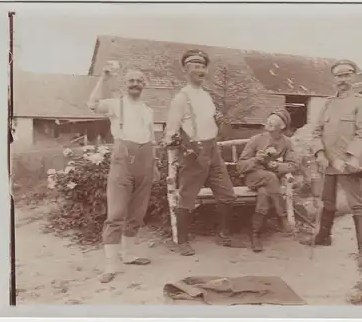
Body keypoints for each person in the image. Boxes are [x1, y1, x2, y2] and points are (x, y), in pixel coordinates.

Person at [162, 49, 241, 256]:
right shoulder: (181, 98)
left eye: (203, 66)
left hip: (213, 149)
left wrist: (220, 122)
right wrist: (186, 151)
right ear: (186, 71)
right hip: (193, 151)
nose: (200, 70)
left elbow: (214, 122)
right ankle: (182, 241)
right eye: (195, 66)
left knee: (227, 194)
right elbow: (171, 131)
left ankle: (223, 234)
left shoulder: (207, 96)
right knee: (187, 197)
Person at [88, 62, 160, 283]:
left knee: (137, 213)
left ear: (144, 85)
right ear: (124, 85)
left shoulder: (148, 110)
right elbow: (92, 104)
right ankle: (110, 265)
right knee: (116, 213)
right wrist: (104, 77)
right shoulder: (114, 104)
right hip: (122, 160)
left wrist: (154, 164)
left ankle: (128, 255)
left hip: (145, 159)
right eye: (131, 81)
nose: (135, 84)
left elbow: (152, 137)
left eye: (139, 81)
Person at [299, 59, 362, 264]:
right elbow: (316, 132)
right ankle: (324, 237)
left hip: (348, 163)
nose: (343, 79)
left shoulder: (361, 102)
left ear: (354, 76)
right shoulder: (328, 104)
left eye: (347, 74)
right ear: (334, 79)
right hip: (327, 163)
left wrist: (350, 157)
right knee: (328, 202)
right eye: (339, 75)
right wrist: (320, 153)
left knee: (356, 205)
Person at [237, 109, 299, 252]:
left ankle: (255, 234)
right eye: (269, 119)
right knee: (270, 177)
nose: (269, 122)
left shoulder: (287, 143)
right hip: (253, 178)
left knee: (264, 193)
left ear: (282, 126)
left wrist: (278, 166)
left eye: (274, 120)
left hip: (271, 184)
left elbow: (294, 165)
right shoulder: (256, 140)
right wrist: (256, 159)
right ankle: (282, 216)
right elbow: (240, 166)